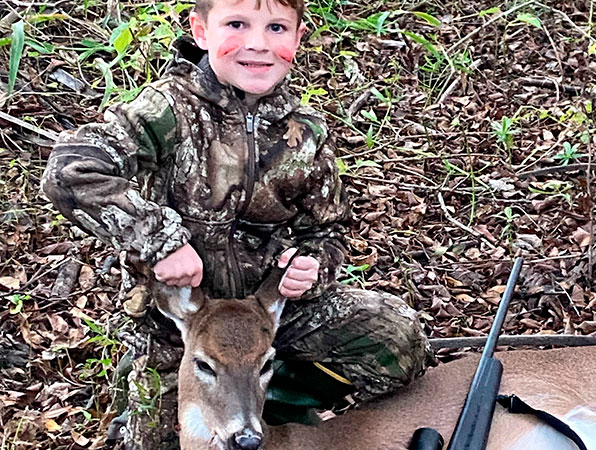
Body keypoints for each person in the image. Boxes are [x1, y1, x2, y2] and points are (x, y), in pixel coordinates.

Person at [42, 0, 433, 447]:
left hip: (268, 312)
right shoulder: (166, 111)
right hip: (181, 321)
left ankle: (268, 396)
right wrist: (159, 240)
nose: (257, 44)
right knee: (156, 439)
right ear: (201, 30)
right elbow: (71, 171)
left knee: (396, 339)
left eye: (277, 28)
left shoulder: (304, 132)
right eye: (237, 24)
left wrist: (312, 267)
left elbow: (329, 231)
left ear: (298, 37)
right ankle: (204, 389)